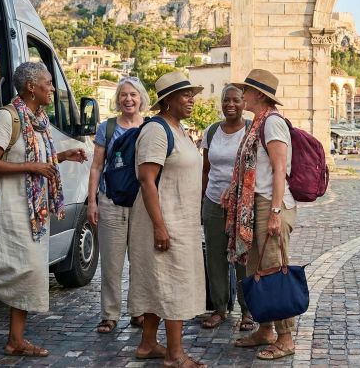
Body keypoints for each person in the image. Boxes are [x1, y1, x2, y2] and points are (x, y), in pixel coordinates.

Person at [0, 62, 87, 357]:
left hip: (33, 206)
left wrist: (62, 156)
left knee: (30, 271)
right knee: (6, 262)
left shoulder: (38, 120)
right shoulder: (7, 117)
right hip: (7, 202)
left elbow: (39, 159)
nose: (52, 88)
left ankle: (15, 340)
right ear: (31, 87)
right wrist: (32, 167)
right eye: (48, 83)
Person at [128, 71, 207, 366]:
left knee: (158, 281)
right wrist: (160, 226)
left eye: (192, 95)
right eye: (185, 95)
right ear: (168, 101)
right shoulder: (157, 131)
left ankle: (148, 344)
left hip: (180, 219)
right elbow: (147, 180)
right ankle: (174, 355)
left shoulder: (179, 129)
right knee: (174, 283)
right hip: (163, 220)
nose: (191, 100)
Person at [224, 69, 298, 361]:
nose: (243, 95)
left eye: (247, 90)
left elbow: (280, 169)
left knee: (273, 271)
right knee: (257, 271)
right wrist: (234, 191)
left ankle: (286, 337)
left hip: (271, 203)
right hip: (254, 206)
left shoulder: (273, 124)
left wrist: (276, 212)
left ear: (259, 95)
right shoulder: (257, 123)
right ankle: (265, 329)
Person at [87, 76, 151, 334]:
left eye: (133, 95)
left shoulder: (150, 127)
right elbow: (96, 166)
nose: (128, 99)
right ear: (118, 99)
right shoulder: (107, 128)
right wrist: (92, 201)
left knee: (140, 260)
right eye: (124, 94)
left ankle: (138, 312)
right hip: (110, 200)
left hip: (141, 203)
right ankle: (109, 315)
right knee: (111, 263)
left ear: (141, 99)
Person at [200, 85, 254, 331]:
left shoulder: (252, 130)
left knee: (243, 256)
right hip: (213, 201)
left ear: (244, 103)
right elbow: (205, 170)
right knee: (215, 257)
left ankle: (247, 311)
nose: (230, 105)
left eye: (235, 100)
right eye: (226, 100)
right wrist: (201, 200)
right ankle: (219, 308)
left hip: (242, 204)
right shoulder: (211, 132)